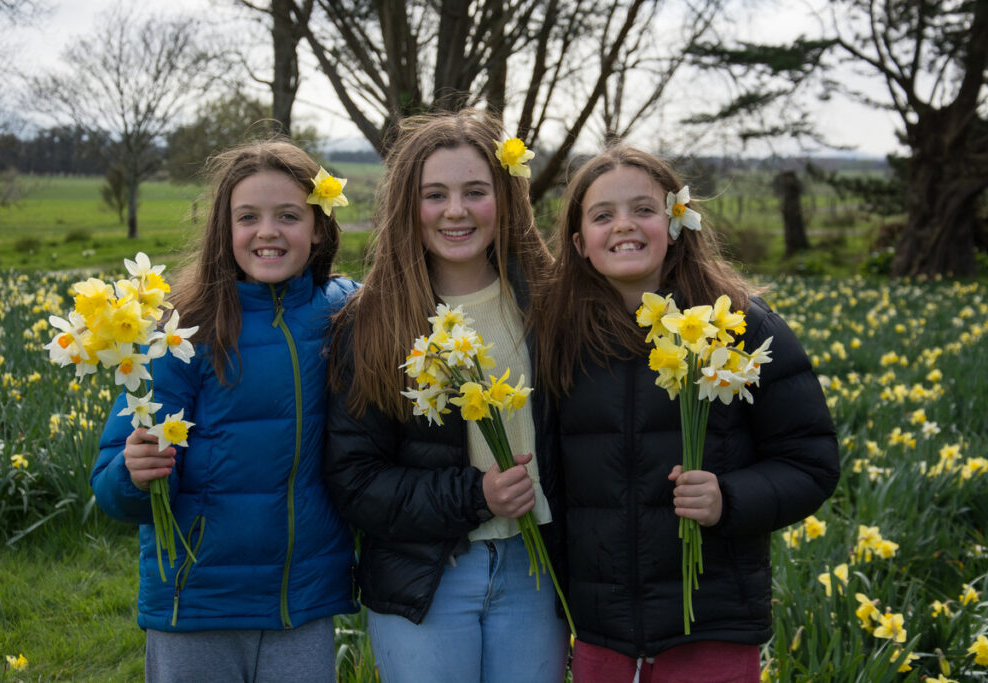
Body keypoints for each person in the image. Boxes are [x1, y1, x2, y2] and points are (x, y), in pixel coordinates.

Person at [534, 145, 840, 682]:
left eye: (643, 209)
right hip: (601, 630)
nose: (624, 225)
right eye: (603, 216)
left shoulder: (739, 326)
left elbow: (810, 463)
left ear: (676, 223)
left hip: (712, 625)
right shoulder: (560, 339)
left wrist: (729, 499)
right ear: (579, 243)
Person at [90, 139, 358, 682]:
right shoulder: (180, 330)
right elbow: (112, 485)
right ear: (224, 228)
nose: (267, 232)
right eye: (248, 217)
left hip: (301, 602)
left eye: (289, 215)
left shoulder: (345, 312)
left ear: (319, 226)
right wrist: (133, 475)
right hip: (197, 602)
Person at [322, 110, 569, 682]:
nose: (455, 210)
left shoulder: (551, 303)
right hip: (427, 575)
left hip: (535, 568)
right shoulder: (373, 321)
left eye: (475, 192)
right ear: (408, 206)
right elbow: (354, 480)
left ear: (506, 199)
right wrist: (475, 495)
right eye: (435, 194)